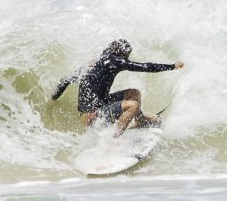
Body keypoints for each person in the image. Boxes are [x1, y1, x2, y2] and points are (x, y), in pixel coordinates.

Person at [52, 39, 184, 136]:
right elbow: (145, 66)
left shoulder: (94, 62)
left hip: (90, 111)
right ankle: (114, 141)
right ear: (121, 54)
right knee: (132, 105)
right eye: (127, 56)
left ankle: (140, 120)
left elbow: (65, 80)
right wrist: (172, 66)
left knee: (134, 93)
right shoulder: (115, 61)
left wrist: (54, 98)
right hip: (93, 117)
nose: (126, 59)